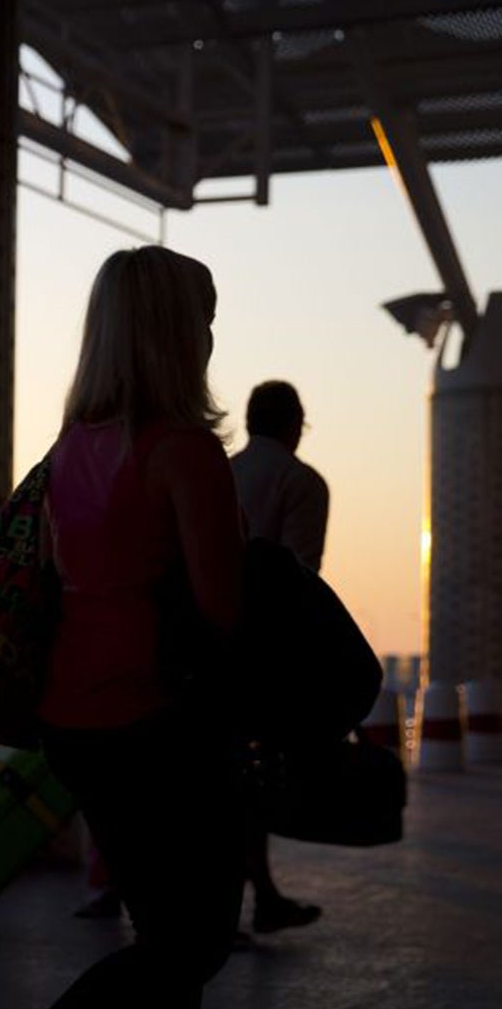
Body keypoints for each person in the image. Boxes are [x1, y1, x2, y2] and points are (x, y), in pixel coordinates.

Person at [0, 246, 270, 1009]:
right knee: (196, 939)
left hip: (77, 724)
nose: (211, 333)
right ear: (175, 334)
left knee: (164, 930)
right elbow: (223, 610)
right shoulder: (182, 452)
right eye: (202, 317)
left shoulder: (70, 452)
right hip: (159, 720)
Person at [230, 380, 328, 936]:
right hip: (262, 654)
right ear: (295, 424)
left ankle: (259, 896)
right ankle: (247, 904)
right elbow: (300, 578)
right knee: (251, 780)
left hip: (198, 646)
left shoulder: (218, 472)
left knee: (221, 779)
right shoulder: (302, 482)